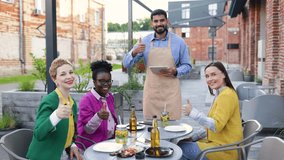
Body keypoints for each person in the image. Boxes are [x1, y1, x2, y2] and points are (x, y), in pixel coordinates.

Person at [123, 9, 192, 120]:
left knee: (172, 128)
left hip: (171, 93)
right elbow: (126, 64)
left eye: (162, 20)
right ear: (152, 23)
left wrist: (176, 71)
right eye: (156, 21)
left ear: (167, 21)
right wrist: (134, 52)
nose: (159, 24)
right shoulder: (144, 42)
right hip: (152, 94)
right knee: (151, 130)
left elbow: (187, 65)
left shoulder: (179, 42)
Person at [178, 61, 243, 160]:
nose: (210, 79)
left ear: (224, 74)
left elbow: (216, 126)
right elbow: (209, 126)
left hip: (225, 151)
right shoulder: (222, 94)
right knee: (183, 144)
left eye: (213, 74)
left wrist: (192, 113)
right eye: (207, 76)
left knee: (180, 148)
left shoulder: (226, 95)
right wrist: (194, 137)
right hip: (220, 146)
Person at [27, 58, 83, 160]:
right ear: (54, 79)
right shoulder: (49, 101)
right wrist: (56, 115)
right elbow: (39, 133)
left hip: (62, 153)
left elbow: (71, 130)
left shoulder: (72, 103)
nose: (69, 76)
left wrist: (72, 145)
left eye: (71, 72)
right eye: (63, 74)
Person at [76, 60, 118, 149]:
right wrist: (98, 117)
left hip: (110, 142)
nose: (106, 84)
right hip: (92, 146)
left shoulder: (110, 97)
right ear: (94, 82)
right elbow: (87, 130)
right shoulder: (87, 100)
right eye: (101, 81)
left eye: (108, 81)